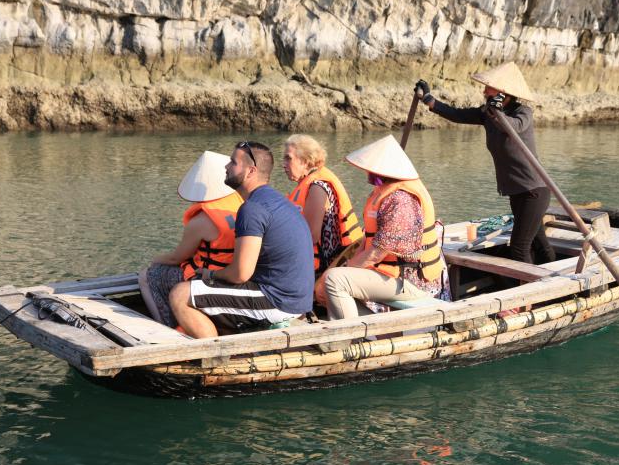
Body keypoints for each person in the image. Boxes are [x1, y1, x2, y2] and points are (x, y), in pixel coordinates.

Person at [168, 141, 315, 338]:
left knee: (180, 294)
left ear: (251, 171)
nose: (226, 167)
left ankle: (217, 357)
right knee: (203, 292)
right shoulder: (275, 200)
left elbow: (240, 274)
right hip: (297, 298)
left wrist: (209, 275)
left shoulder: (252, 209)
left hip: (278, 301)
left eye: (233, 162)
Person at [415, 62, 556, 266]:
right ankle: (550, 278)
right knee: (539, 243)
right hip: (517, 192)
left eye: (488, 88)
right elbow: (457, 115)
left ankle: (531, 293)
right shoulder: (486, 113)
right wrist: (428, 99)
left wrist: (497, 112)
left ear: (502, 92)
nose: (484, 91)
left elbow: (514, 127)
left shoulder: (523, 112)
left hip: (534, 191)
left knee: (519, 248)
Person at [323, 135, 449, 323]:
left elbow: (376, 254)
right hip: (391, 275)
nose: (367, 172)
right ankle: (375, 334)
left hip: (410, 280)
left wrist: (345, 268)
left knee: (335, 280)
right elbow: (368, 243)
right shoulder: (386, 194)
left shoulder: (400, 199)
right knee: (336, 278)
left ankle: (352, 338)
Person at [139, 151, 243, 328]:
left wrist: (154, 260)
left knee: (147, 276)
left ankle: (166, 326)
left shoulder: (202, 220)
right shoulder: (241, 204)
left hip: (207, 276)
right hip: (233, 272)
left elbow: (176, 258)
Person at [283, 134, 363, 280]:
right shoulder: (308, 183)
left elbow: (310, 236)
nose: (283, 164)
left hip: (325, 266)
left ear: (305, 161)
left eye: (288, 158)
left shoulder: (317, 187)